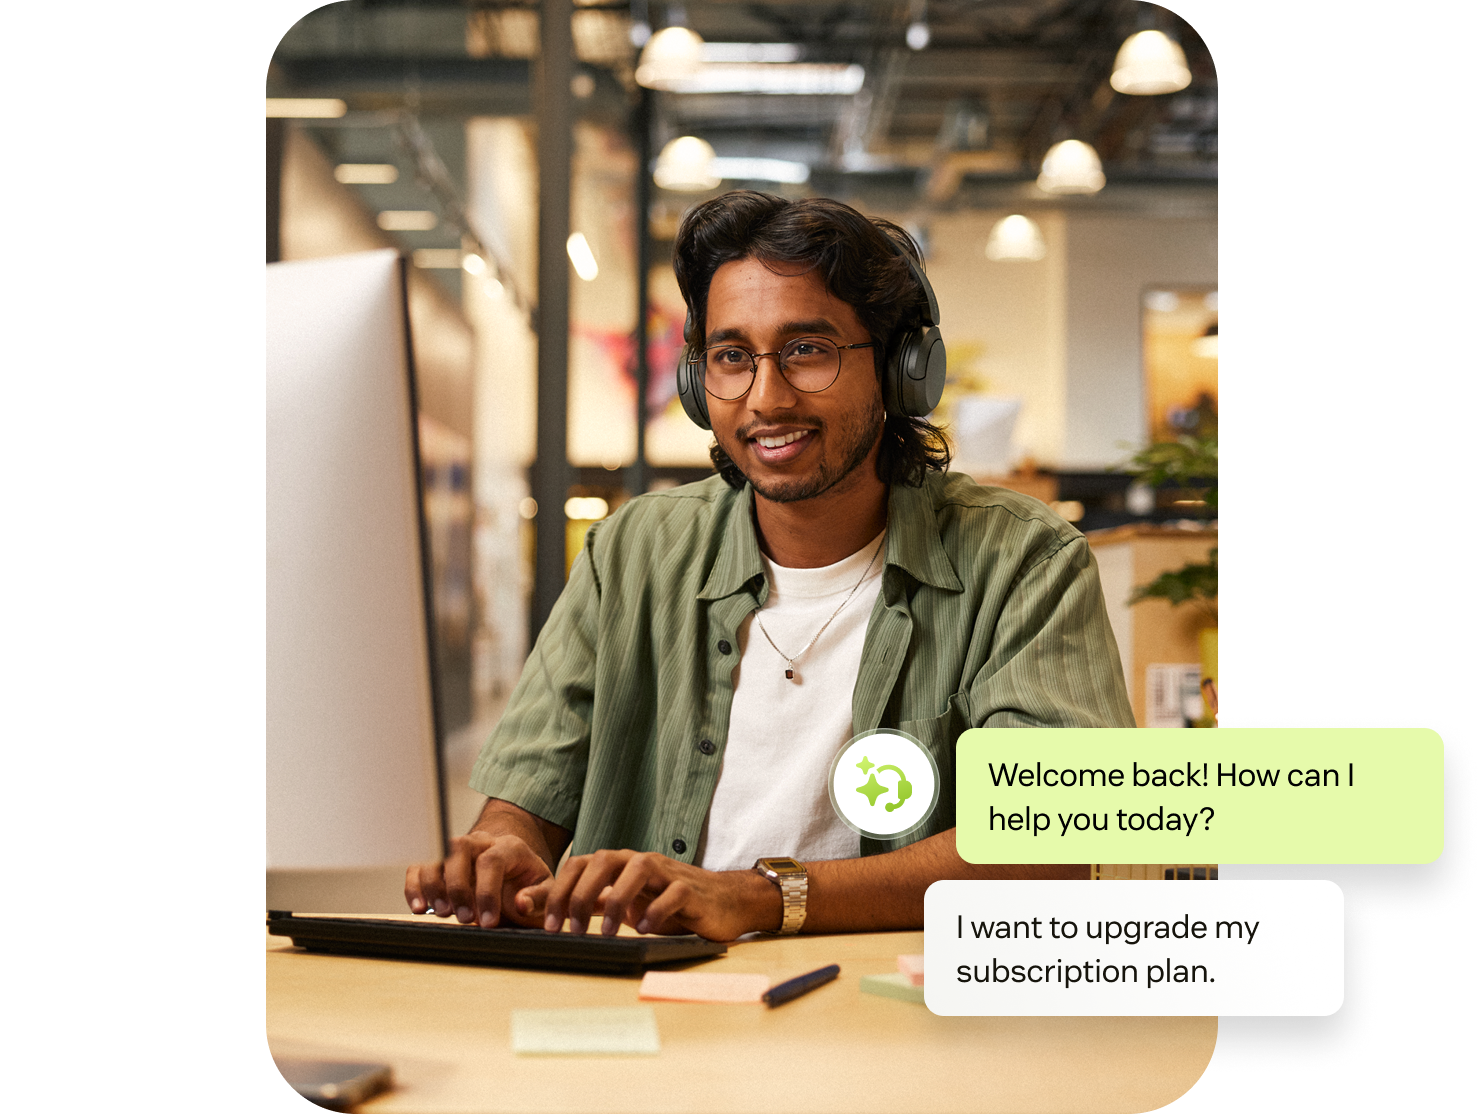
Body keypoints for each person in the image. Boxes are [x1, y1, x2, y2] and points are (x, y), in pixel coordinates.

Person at [406, 192, 1134, 942]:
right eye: (731, 358)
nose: (766, 398)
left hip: (884, 1003)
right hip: (641, 1000)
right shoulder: (631, 553)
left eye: (807, 350)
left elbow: (1050, 844)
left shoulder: (1022, 562)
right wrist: (503, 850)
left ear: (900, 369)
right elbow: (527, 796)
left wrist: (757, 898)